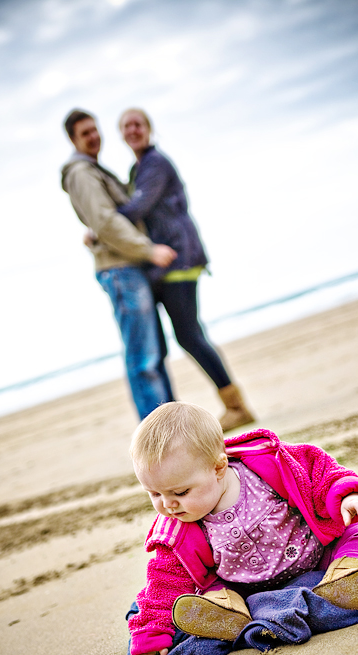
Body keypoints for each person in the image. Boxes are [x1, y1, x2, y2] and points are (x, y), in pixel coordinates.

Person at [126, 402, 358, 655]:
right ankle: (226, 612)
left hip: (313, 552)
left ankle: (350, 572)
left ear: (217, 467)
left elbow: (318, 470)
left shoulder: (268, 465)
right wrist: (149, 637)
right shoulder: (177, 527)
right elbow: (163, 584)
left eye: (180, 491)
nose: (168, 504)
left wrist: (346, 495)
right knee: (209, 592)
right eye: (154, 494)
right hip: (240, 586)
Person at [116, 108, 255, 432]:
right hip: (163, 263)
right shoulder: (137, 169)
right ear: (122, 134)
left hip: (179, 257)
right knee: (183, 336)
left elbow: (138, 207)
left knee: (189, 335)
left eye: (138, 124)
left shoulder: (155, 163)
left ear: (149, 129)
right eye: (127, 126)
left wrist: (99, 227)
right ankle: (226, 405)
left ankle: (236, 406)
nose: (133, 130)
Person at [61, 108, 178, 420]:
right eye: (85, 133)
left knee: (153, 354)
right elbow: (106, 221)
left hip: (127, 267)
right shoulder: (81, 173)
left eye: (95, 130)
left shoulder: (94, 170)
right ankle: (159, 438)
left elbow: (102, 220)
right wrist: (148, 250)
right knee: (144, 358)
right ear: (73, 140)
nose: (94, 137)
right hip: (121, 269)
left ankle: (173, 429)